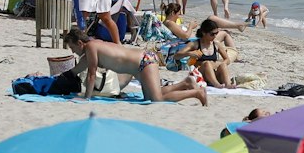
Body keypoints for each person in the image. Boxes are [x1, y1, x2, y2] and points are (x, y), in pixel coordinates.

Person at [62, 27, 208, 105]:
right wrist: (59, 78)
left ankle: (196, 93)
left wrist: (87, 98)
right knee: (151, 97)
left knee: (156, 100)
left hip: (144, 61)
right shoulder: (95, 45)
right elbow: (77, 69)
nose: (73, 52)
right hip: (141, 63)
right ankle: (186, 83)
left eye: (72, 48)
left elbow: (91, 73)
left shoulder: (90, 48)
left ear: (80, 43)